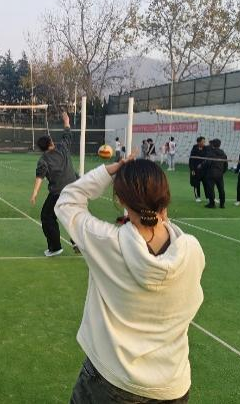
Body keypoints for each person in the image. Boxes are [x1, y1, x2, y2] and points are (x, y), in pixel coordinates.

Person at [55, 158, 205, 403]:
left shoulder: (107, 242)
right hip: (172, 386)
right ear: (164, 196)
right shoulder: (192, 249)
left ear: (121, 200)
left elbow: (68, 201)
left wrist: (108, 171)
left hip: (112, 381)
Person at [30, 111, 78, 257]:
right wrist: (66, 121)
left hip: (59, 193)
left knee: (47, 216)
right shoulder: (63, 147)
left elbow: (39, 177)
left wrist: (35, 193)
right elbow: (67, 134)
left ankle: (55, 247)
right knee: (72, 215)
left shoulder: (43, 160)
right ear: (51, 143)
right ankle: (77, 242)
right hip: (75, 189)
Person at [203, 139, 228, 208]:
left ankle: (212, 204)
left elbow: (207, 163)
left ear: (212, 144)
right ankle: (222, 204)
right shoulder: (223, 153)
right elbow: (226, 164)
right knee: (221, 189)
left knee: (210, 189)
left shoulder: (211, 153)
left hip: (211, 174)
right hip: (219, 174)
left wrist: (203, 167)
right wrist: (222, 172)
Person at [189, 136, 207, 202]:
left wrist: (202, 164)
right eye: (203, 142)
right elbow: (191, 160)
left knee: (206, 184)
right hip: (196, 170)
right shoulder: (194, 148)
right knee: (196, 184)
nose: (204, 143)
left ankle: (208, 197)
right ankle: (197, 197)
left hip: (204, 170)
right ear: (198, 142)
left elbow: (207, 159)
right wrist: (192, 170)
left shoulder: (206, 148)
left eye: (204, 141)